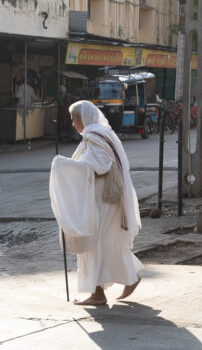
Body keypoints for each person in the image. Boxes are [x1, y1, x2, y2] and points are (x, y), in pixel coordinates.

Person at [49, 100, 142, 306]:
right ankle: (131, 277)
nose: (73, 123)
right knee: (109, 242)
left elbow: (99, 166)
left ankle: (98, 294)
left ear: (84, 118)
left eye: (74, 118)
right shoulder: (102, 133)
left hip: (103, 200)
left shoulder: (93, 136)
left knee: (93, 243)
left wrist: (63, 165)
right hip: (109, 199)